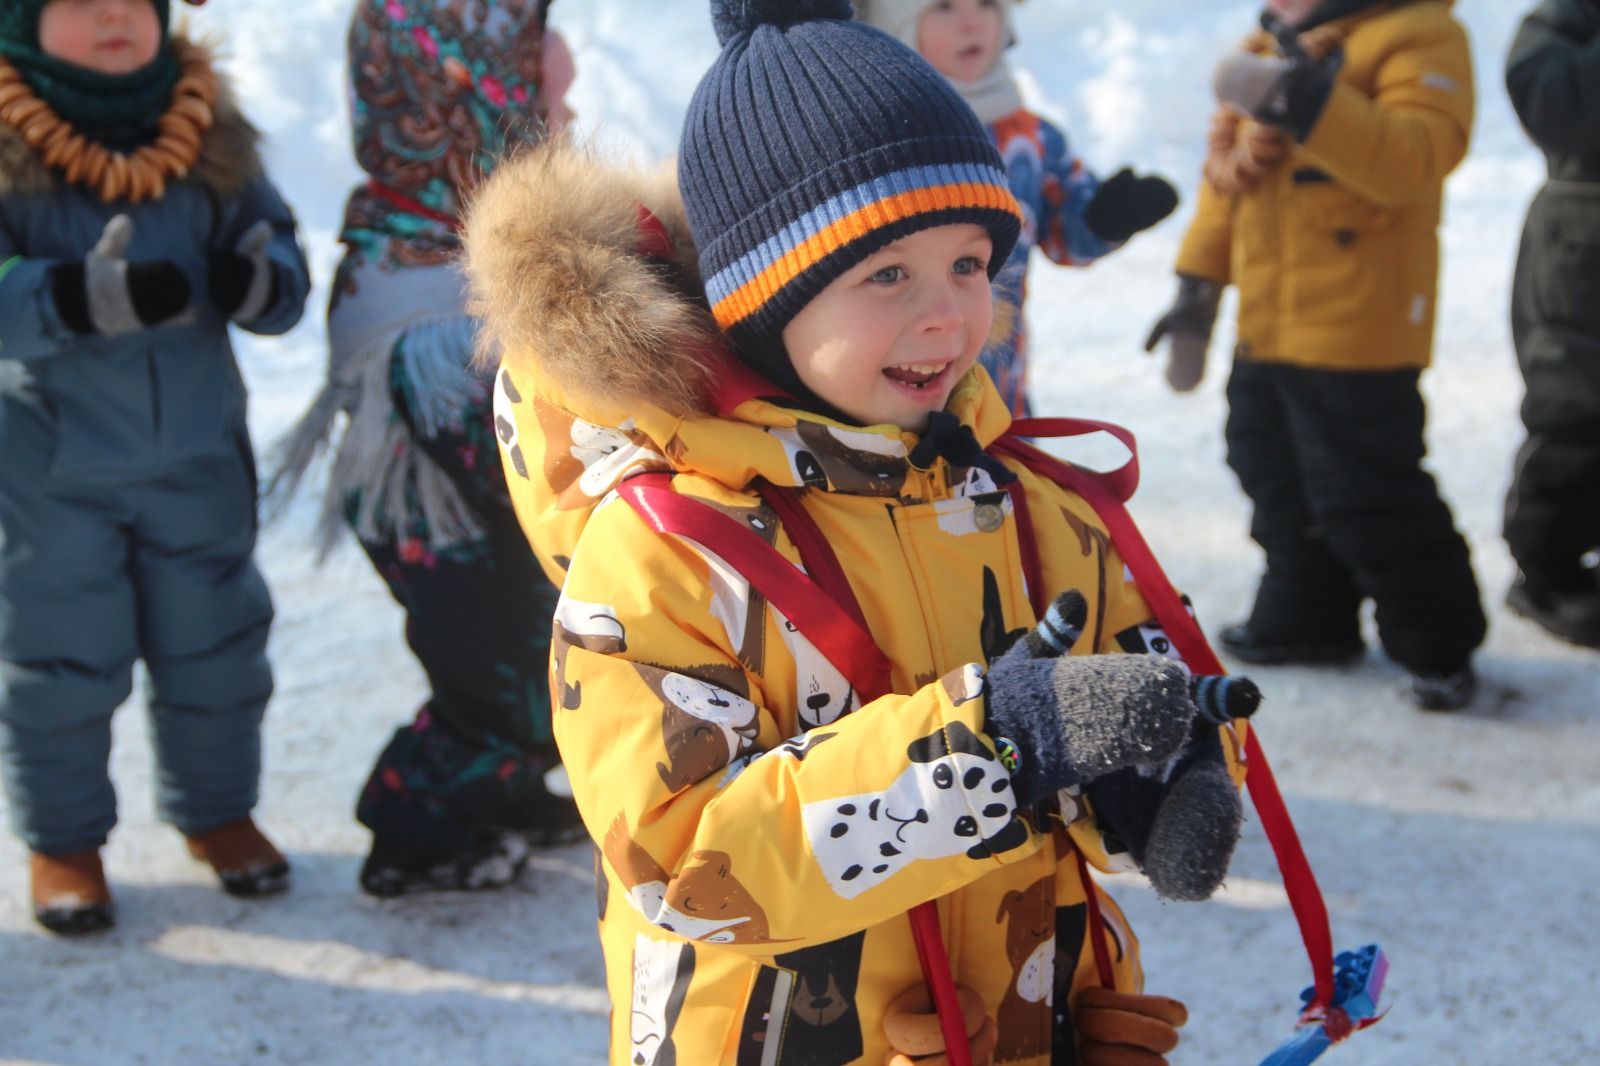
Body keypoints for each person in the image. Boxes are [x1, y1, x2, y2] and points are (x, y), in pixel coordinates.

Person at [462, 3, 1245, 1062]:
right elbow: (681, 857)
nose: (947, 316)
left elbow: (1144, 657)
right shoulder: (668, 555)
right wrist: (989, 751)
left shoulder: (1029, 506)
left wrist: (1166, 768)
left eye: (969, 264)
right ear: (763, 301)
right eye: (887, 274)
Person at [0, 0, 310, 933]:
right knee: (60, 657)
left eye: (133, 3)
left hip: (197, 457)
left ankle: (217, 812)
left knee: (215, 644)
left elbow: (279, 244)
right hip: (49, 470)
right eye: (80, 4)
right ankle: (65, 840)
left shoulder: (206, 124)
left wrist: (259, 279)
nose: (112, 21)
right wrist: (68, 298)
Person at [268, 0, 582, 898]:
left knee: (537, 664)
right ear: (477, 109)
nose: (570, 126)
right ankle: (412, 832)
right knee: (512, 685)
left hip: (468, 526)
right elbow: (511, 441)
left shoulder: (429, 234)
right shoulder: (427, 289)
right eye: (548, 106)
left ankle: (505, 792)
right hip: (446, 525)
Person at [1146, 0, 1488, 709]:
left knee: (1366, 489)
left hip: (1359, 328)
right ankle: (1309, 610)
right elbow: (1228, 189)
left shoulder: (1420, 35)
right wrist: (1196, 291)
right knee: (1266, 464)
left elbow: (1414, 159)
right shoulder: (1267, 49)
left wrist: (1300, 98)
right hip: (1269, 323)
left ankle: (1438, 640)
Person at [855, 0, 1178, 415]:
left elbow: (1067, 233)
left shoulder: (1027, 135)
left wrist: (1106, 215)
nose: (971, 22)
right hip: (894, 386)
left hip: (1001, 394)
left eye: (987, 4)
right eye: (944, 7)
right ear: (892, 27)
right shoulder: (870, 137)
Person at [1501, 0, 1600, 649]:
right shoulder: (1570, 14)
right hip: (1585, 238)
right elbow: (1547, 97)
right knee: (1576, 409)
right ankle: (1547, 573)